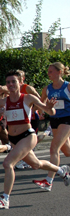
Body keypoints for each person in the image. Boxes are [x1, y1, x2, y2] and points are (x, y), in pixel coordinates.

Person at [0, 70, 69, 209]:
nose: (11, 84)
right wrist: (0, 115)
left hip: (27, 136)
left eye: (14, 81)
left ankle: (5, 198)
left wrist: (50, 108)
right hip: (13, 138)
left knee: (8, 163)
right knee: (36, 164)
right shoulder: (2, 102)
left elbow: (49, 111)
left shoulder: (28, 98)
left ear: (20, 83)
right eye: (8, 82)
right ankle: (62, 171)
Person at [33, 62, 70, 191]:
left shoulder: (68, 87)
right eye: (48, 72)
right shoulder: (47, 89)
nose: (48, 74)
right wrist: (41, 111)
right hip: (54, 119)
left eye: (51, 71)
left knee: (54, 148)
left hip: (67, 120)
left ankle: (49, 181)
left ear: (59, 72)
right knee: (67, 151)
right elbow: (41, 103)